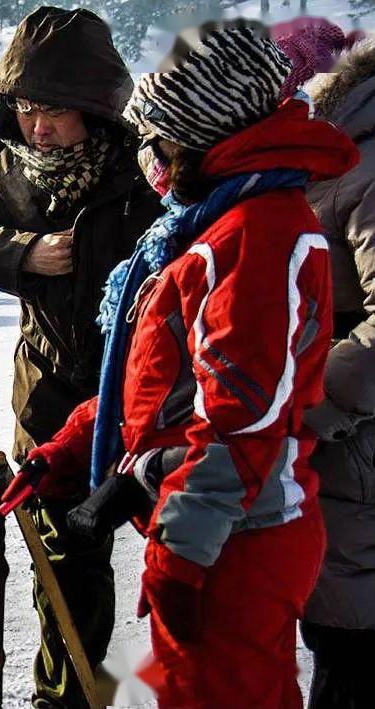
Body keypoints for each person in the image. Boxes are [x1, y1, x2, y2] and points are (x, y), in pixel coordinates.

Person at [24, 24, 359, 708]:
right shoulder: (211, 220)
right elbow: (165, 383)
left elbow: (241, 421)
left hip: (235, 540)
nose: (148, 158)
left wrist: (182, 553)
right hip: (209, 526)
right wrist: (77, 441)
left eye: (157, 141)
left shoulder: (258, 233)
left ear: (198, 136)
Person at [0, 7, 163, 707]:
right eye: (27, 109)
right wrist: (24, 252)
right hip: (49, 395)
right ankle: (64, 698)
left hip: (145, 391)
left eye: (56, 112)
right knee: (65, 563)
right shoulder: (9, 170)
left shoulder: (144, 169)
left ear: (95, 108)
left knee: (181, 557)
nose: (39, 128)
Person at [295, 39, 375, 709]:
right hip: (343, 444)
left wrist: (304, 398)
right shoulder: (337, 157)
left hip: (356, 442)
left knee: (350, 641)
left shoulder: (364, 166)